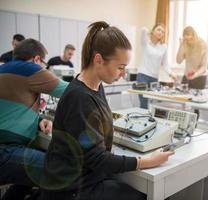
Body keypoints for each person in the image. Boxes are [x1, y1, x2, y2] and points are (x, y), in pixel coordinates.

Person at [40, 21, 174, 200]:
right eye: (120, 67)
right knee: (145, 195)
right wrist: (147, 161)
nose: (123, 74)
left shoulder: (95, 87)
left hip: (85, 178)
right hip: (73, 189)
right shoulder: (79, 97)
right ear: (98, 60)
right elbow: (96, 158)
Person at [0, 39, 68, 199]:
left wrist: (38, 121)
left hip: (7, 147)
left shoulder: (4, 69)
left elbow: (9, 110)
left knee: (28, 178)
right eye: (44, 63)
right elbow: (71, 91)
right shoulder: (30, 69)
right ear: (36, 59)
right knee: (62, 170)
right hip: (5, 150)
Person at [136, 23, 176, 109]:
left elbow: (165, 64)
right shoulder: (145, 44)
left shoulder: (164, 47)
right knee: (144, 104)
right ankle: (143, 121)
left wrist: (171, 73)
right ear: (153, 31)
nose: (161, 32)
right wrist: (149, 31)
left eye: (163, 31)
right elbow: (143, 29)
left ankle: (151, 121)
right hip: (143, 76)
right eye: (158, 30)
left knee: (153, 104)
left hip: (154, 79)